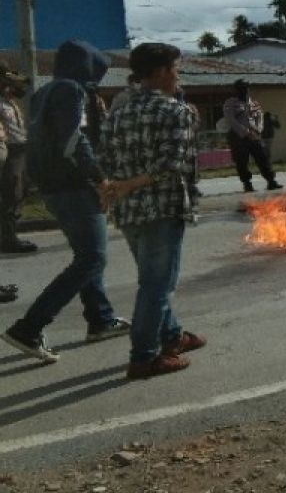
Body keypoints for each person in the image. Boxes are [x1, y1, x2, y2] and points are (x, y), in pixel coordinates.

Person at [3, 41, 129, 364]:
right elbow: (73, 140)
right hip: (74, 186)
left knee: (88, 257)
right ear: (85, 66)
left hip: (52, 186)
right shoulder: (71, 91)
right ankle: (29, 327)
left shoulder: (45, 92)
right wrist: (101, 179)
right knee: (91, 258)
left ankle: (100, 318)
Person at [101, 42, 206, 379]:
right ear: (161, 72)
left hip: (129, 210)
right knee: (157, 285)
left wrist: (116, 189)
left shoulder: (119, 110)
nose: (178, 75)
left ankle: (172, 336)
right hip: (162, 207)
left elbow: (105, 157)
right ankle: (144, 357)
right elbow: (172, 163)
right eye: (175, 68)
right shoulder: (178, 112)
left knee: (152, 280)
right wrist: (132, 183)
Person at [223, 79, 282, 193]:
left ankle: (271, 181)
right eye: (241, 88)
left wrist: (258, 130)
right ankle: (247, 184)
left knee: (263, 158)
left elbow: (260, 118)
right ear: (236, 90)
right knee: (241, 161)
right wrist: (245, 132)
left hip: (254, 136)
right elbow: (231, 120)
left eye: (246, 88)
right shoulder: (230, 103)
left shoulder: (254, 103)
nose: (244, 91)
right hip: (238, 136)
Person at [0, 69, 36, 253]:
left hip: (22, 150)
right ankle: (8, 239)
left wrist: (14, 80)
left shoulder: (10, 101)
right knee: (11, 194)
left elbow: (25, 84)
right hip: (10, 151)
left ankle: (9, 235)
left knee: (22, 192)